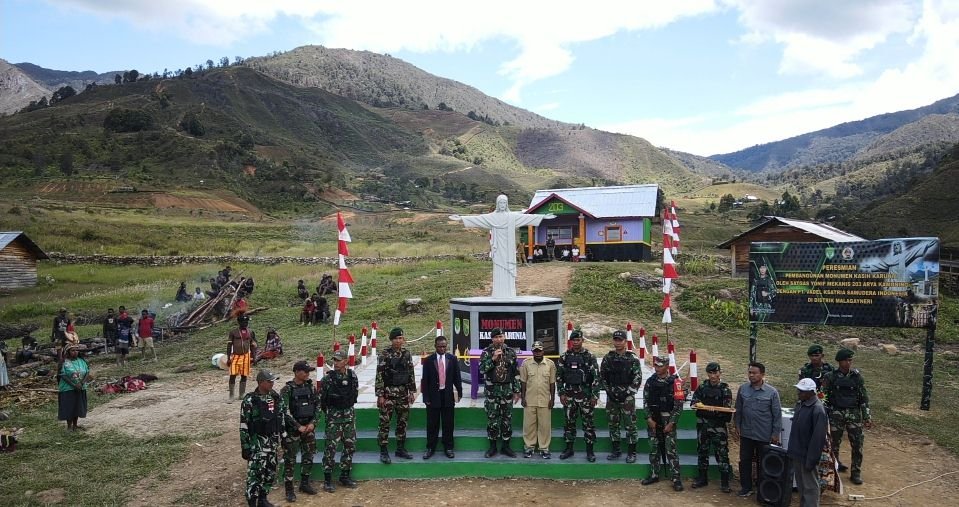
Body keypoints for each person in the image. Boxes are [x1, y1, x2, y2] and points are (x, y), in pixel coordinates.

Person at [449, 195, 555, 298]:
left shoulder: (512, 216)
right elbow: (478, 219)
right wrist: (461, 219)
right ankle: (498, 292)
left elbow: (526, 217)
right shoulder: (492, 217)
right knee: (499, 268)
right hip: (498, 247)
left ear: (507, 204)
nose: (503, 204)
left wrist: (543, 216)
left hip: (508, 248)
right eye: (500, 203)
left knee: (508, 268)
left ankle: (509, 293)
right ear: (497, 204)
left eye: (504, 202)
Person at [240, 369, 295, 507]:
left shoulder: (275, 397)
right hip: (256, 445)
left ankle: (263, 499)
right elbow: (244, 425)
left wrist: (284, 438)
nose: (272, 383)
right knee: (255, 475)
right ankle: (252, 502)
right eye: (269, 381)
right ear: (260, 382)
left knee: (270, 472)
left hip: (272, 443)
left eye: (272, 381)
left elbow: (280, 418)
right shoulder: (250, 400)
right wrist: (245, 446)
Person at [822, 348, 871, 485]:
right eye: (846, 360)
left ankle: (856, 472)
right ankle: (834, 471)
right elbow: (823, 396)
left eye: (850, 360)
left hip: (854, 414)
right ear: (840, 361)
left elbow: (864, 398)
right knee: (833, 445)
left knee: (857, 445)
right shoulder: (830, 376)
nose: (849, 363)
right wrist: (823, 413)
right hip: (836, 413)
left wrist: (867, 416)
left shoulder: (857, 377)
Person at [733, 361, 782, 498]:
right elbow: (739, 410)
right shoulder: (743, 389)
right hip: (746, 433)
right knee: (745, 461)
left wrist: (775, 433)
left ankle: (763, 489)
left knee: (764, 463)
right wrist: (737, 426)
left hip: (764, 435)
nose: (751, 375)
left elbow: (777, 415)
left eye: (754, 373)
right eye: (749, 373)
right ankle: (746, 487)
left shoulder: (772, 392)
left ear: (762, 374)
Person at [642, 355, 685, 491]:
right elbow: (645, 401)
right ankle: (654, 474)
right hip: (654, 419)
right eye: (656, 365)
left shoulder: (675, 382)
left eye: (660, 366)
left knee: (671, 450)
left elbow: (679, 406)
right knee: (654, 449)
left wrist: (671, 423)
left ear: (667, 367)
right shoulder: (650, 382)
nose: (657, 368)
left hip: (668, 420)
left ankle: (676, 478)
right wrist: (648, 419)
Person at [279, 361, 320, 501]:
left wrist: (313, 423)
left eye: (309, 371)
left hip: (309, 428)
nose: (308, 374)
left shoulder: (311, 388)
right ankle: (289, 489)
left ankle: (304, 483)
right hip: (293, 431)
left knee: (308, 456)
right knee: (290, 460)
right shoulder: (287, 390)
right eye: (305, 371)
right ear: (297, 372)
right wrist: (298, 426)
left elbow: (318, 406)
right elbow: (284, 411)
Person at [557, 330, 600, 461]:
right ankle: (569, 449)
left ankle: (590, 451)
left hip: (585, 396)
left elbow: (596, 377)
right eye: (574, 340)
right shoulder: (565, 357)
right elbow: (559, 377)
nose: (576, 342)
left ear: (582, 341)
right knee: (569, 423)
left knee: (588, 424)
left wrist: (594, 395)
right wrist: (561, 393)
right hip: (569, 396)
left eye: (578, 340)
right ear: (571, 341)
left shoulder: (589, 356)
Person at [690, 362, 733, 492]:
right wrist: (700, 406)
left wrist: (713, 410)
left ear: (720, 373)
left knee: (722, 454)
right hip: (703, 426)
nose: (713, 376)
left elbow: (726, 409)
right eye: (710, 373)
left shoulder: (725, 390)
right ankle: (702, 478)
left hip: (718, 428)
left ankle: (725, 482)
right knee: (702, 452)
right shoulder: (702, 387)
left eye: (715, 373)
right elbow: (694, 402)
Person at [375, 327, 416, 464]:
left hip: (403, 394)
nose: (399, 341)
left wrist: (412, 391)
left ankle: (400, 448)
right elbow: (379, 375)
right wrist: (380, 395)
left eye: (401, 338)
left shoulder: (407, 354)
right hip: (388, 394)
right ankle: (384, 450)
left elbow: (410, 373)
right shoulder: (384, 354)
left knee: (402, 422)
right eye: (396, 338)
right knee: (385, 422)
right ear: (391, 340)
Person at [320, 350, 359, 493]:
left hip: (349, 417)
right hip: (334, 419)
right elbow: (323, 401)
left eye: (338, 360)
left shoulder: (352, 376)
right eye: (334, 360)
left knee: (350, 446)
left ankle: (345, 475)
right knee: (330, 448)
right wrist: (331, 415)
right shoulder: (327, 379)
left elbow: (354, 395)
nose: (335, 363)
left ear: (346, 361)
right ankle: (328, 479)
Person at [479, 327, 521, 457]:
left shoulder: (511, 352)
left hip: (506, 392)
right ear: (492, 339)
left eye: (501, 336)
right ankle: (492, 447)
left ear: (504, 337)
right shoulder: (486, 352)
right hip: (492, 393)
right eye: (496, 337)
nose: (499, 339)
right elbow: (481, 370)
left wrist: (517, 390)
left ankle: (506, 447)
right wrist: (493, 359)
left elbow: (515, 373)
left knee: (506, 420)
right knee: (492, 419)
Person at [601, 330, 641, 463]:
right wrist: (609, 392)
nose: (618, 342)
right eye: (615, 340)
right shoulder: (608, 358)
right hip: (612, 397)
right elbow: (603, 377)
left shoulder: (632, 358)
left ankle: (631, 452)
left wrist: (627, 392)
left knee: (630, 425)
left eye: (620, 340)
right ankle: (616, 450)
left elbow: (637, 378)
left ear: (625, 341)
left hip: (627, 398)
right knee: (613, 424)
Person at [420, 335, 463, 459]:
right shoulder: (428, 361)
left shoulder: (452, 359)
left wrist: (459, 392)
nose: (442, 349)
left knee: (448, 423)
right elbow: (425, 381)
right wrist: (425, 397)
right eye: (440, 347)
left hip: (448, 396)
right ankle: (430, 448)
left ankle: (448, 447)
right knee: (432, 424)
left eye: (444, 346)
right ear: (435, 346)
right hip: (433, 397)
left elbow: (457, 377)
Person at [788, 378, 829, 507]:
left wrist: (811, 460)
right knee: (801, 486)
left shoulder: (817, 409)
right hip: (797, 452)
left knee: (810, 488)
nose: (798, 393)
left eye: (802, 391)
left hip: (807, 456)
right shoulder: (801, 404)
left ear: (811, 392)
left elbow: (818, 439)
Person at [520, 340, 556, 459]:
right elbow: (523, 382)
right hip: (529, 399)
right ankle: (529, 447)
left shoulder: (550, 364)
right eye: (535, 351)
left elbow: (552, 383)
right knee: (529, 425)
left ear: (543, 351)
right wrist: (523, 397)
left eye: (539, 350)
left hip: (545, 400)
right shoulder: (526, 364)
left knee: (544, 426)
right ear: (532, 352)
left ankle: (544, 448)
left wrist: (552, 399)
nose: (537, 353)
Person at [58, 344, 91, 431]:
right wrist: (74, 385)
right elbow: (62, 375)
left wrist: (82, 383)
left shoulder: (82, 361)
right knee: (69, 407)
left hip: (80, 388)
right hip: (68, 389)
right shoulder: (64, 362)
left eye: (76, 350)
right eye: (73, 350)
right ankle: (69, 426)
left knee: (77, 407)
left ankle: (75, 425)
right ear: (68, 352)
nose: (75, 352)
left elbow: (87, 372)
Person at [227, 314, 258, 402]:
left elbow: (253, 345)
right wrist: (228, 358)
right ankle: (231, 395)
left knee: (244, 375)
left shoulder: (250, 332)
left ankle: (241, 394)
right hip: (235, 356)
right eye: (243, 322)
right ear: (239, 322)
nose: (245, 323)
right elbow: (229, 345)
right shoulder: (233, 332)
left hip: (246, 356)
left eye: (247, 322)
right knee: (233, 375)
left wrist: (254, 357)